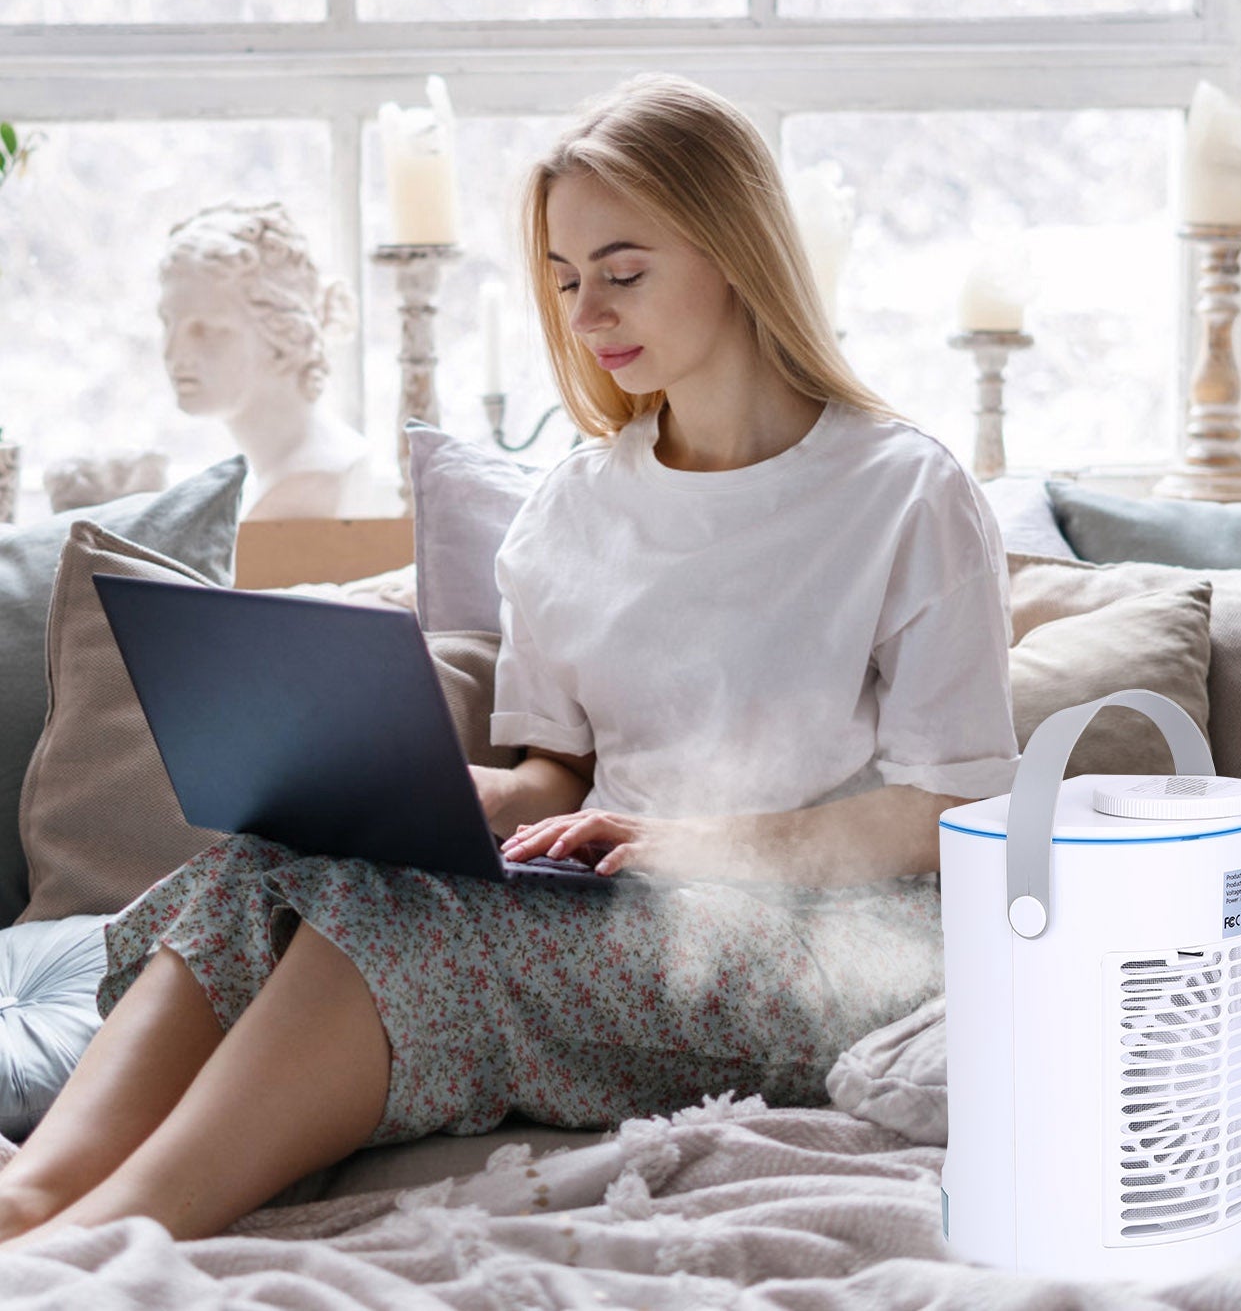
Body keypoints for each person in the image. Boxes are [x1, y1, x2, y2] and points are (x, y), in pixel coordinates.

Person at [0, 74, 1018, 1251]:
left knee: (409, 930)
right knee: (265, 867)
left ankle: (100, 1240)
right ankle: (37, 1198)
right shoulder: (574, 508)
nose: (588, 315)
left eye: (623, 273)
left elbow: (952, 808)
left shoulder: (904, 491)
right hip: (611, 908)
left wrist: (695, 843)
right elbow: (555, 783)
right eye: (566, 279)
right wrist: (399, 793)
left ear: (736, 252)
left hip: (815, 949)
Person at [158, 202, 386, 520]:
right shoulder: (267, 476)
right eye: (167, 323)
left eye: (206, 329)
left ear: (281, 334)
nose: (173, 353)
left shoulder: (311, 481)